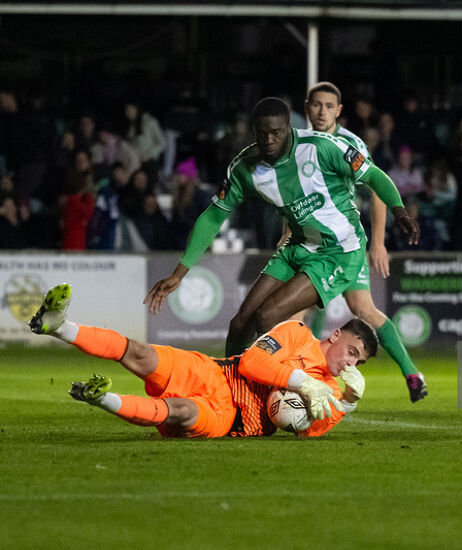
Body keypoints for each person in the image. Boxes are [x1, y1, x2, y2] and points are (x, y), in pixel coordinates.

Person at [144, 97, 418, 364]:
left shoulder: (322, 147)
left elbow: (374, 175)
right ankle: (228, 386)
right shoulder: (245, 167)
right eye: (262, 134)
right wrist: (180, 273)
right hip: (298, 245)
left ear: (289, 128)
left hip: (338, 250)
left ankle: (301, 377)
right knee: (240, 322)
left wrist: (399, 210)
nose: (269, 140)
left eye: (276, 132)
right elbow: (214, 217)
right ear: (254, 132)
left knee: (268, 316)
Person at [29, 284, 372, 438]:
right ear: (336, 335)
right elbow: (252, 362)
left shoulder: (328, 390)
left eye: (359, 363)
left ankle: (101, 397)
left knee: (181, 411)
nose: (350, 365)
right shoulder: (297, 334)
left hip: (231, 419)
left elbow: (307, 432)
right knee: (140, 353)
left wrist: (348, 402)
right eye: (353, 352)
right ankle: (59, 326)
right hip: (214, 373)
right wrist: (301, 381)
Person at [295, 81, 428, 402]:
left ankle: (298, 375)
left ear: (339, 111)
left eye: (329, 106)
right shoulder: (298, 144)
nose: (322, 111)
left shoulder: (349, 144)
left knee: (304, 308)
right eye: (317, 105)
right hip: (312, 239)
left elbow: (376, 186)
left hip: (342, 243)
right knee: (359, 308)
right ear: (307, 107)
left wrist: (378, 242)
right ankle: (412, 373)